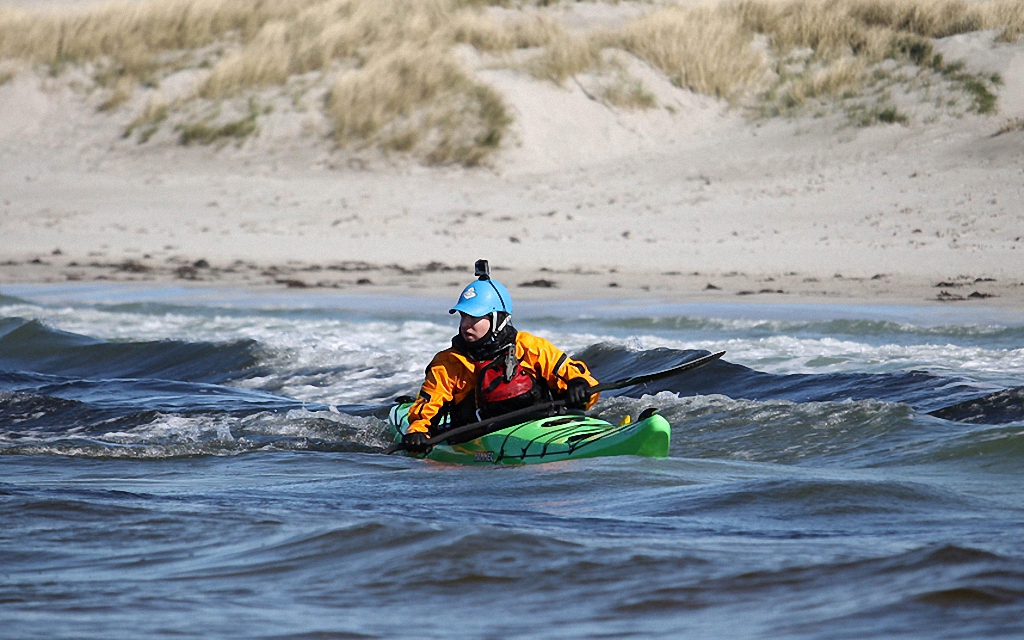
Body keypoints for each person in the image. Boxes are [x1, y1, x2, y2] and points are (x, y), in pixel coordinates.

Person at [402, 260, 599, 453]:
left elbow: (578, 376)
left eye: (474, 318)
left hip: (542, 431)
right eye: (463, 316)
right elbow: (426, 412)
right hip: (478, 443)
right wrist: (417, 433)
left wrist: (580, 387)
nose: (464, 324)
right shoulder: (448, 363)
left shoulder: (530, 347)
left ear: (498, 319)